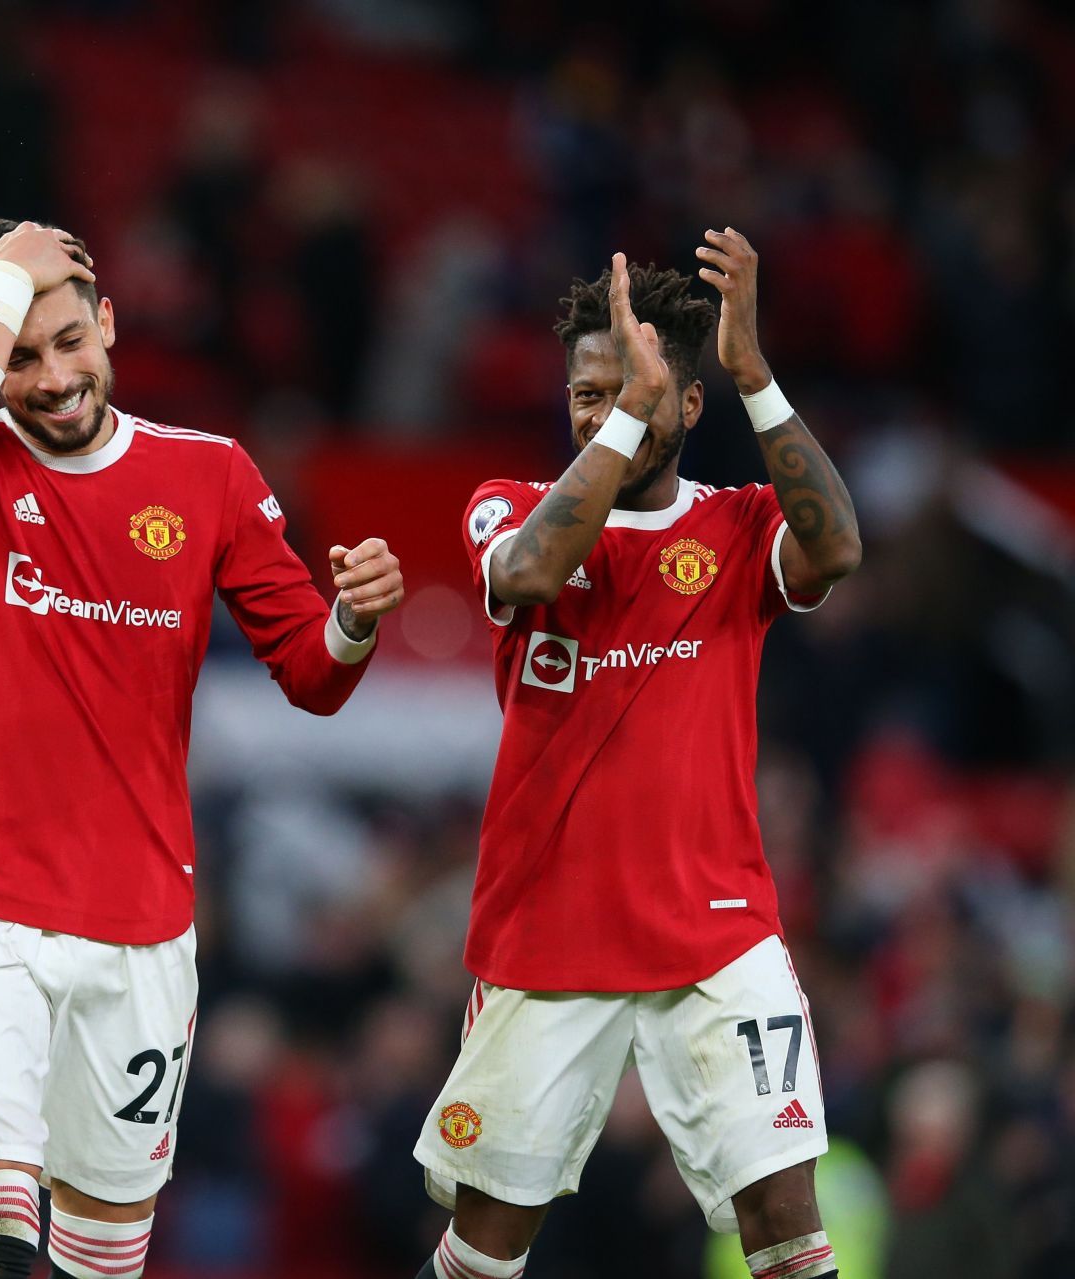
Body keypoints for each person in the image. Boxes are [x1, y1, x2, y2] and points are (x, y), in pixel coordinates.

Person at [0, 219, 404, 1279]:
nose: (57, 376)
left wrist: (354, 617)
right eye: (21, 355)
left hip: (141, 921)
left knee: (105, 1253)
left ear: (108, 321)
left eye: (70, 338)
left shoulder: (205, 474)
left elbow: (312, 672)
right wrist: (9, 282)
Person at [411, 230, 863, 1279]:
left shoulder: (743, 528)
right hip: (547, 933)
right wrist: (627, 412)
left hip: (717, 932)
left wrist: (752, 372)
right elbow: (526, 575)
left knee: (790, 1223)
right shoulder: (507, 506)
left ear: (692, 407)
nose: (597, 408)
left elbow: (836, 547)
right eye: (585, 391)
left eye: (635, 388)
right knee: (487, 1244)